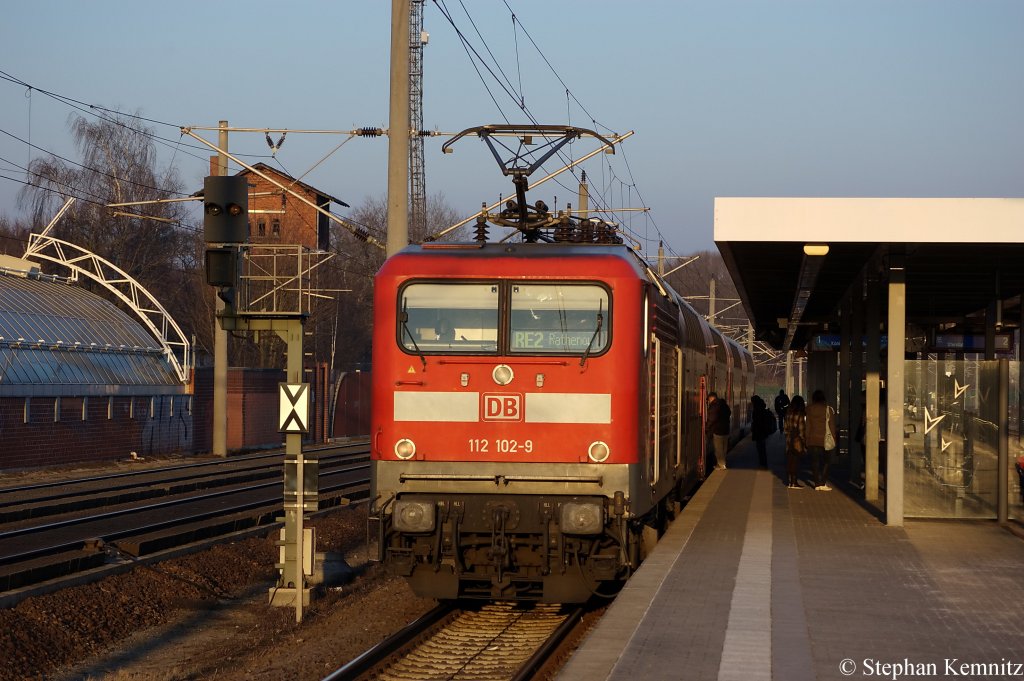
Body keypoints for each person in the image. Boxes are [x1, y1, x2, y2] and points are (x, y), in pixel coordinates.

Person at [805, 389, 837, 491]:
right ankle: (823, 482)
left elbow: (808, 425)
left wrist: (806, 439)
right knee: (827, 462)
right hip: (825, 440)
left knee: (815, 462)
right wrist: (834, 439)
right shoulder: (828, 409)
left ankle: (817, 484)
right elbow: (831, 426)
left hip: (812, 439)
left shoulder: (809, 409)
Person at [784, 395, 806, 488]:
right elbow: (801, 430)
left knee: (790, 460)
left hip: (789, 440)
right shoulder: (800, 415)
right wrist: (803, 441)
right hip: (797, 440)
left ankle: (791, 482)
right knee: (795, 461)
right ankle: (794, 482)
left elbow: (785, 428)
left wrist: (788, 436)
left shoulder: (788, 413)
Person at [706, 391, 731, 470]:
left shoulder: (714, 406)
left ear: (712, 398)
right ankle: (722, 463)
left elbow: (712, 418)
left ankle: (721, 464)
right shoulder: (724, 405)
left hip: (717, 430)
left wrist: (707, 427)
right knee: (724, 448)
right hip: (726, 429)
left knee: (718, 448)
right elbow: (729, 412)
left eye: (709, 399)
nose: (709, 401)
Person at [750, 395, 772, 469]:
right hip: (763, 431)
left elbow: (757, 421)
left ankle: (763, 464)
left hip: (759, 431)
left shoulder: (757, 410)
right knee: (762, 448)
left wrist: (754, 428)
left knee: (760, 449)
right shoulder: (762, 408)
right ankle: (763, 463)